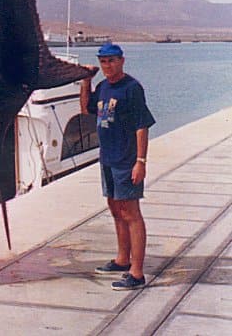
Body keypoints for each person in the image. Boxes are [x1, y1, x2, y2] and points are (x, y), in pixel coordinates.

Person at [80, 42, 155, 291]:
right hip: (108, 159)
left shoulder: (132, 88)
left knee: (131, 214)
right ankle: (123, 259)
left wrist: (140, 162)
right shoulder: (102, 87)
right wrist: (85, 81)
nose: (107, 65)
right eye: (103, 61)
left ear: (121, 61)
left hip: (126, 160)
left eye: (111, 60)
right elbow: (86, 109)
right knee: (115, 210)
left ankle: (137, 272)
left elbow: (141, 126)